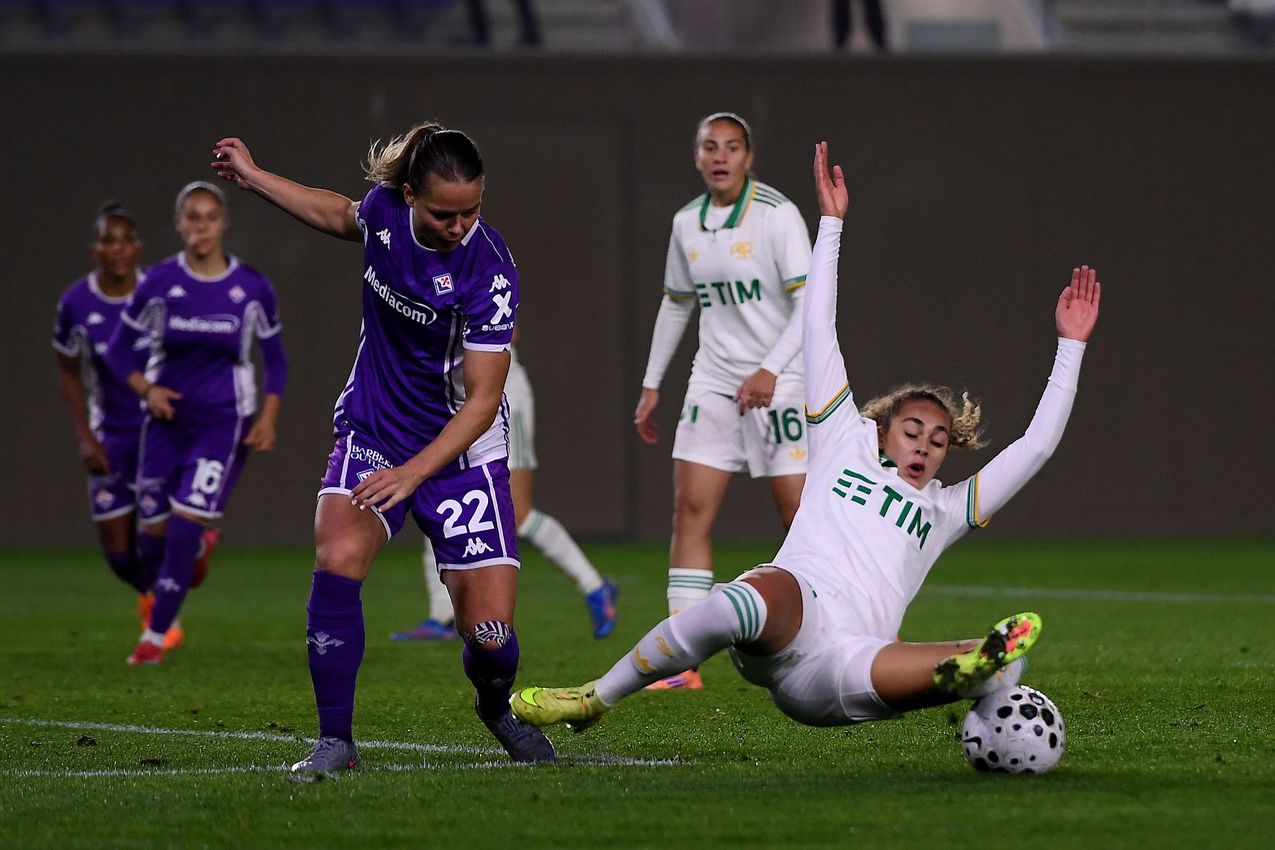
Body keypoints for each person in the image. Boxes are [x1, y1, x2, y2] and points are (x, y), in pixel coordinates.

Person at [510, 141, 1102, 737]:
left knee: (1008, 658)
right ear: (881, 429)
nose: (924, 445)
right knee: (754, 593)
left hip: (846, 669)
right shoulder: (843, 440)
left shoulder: (948, 509)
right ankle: (595, 697)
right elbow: (817, 325)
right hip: (794, 614)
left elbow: (1037, 446)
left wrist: (1070, 345)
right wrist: (832, 224)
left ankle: (971, 675)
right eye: (912, 430)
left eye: (939, 439)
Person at [210, 122, 556, 772]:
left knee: (492, 640)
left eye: (471, 211)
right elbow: (338, 213)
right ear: (407, 198)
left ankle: (493, 705)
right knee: (338, 553)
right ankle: (335, 741)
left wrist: (414, 473)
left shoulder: (491, 272)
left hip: (460, 456)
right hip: (374, 428)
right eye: (443, 213)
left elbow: (482, 402)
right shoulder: (382, 213)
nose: (459, 226)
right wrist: (254, 178)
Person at [633, 111, 812, 689]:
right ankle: (680, 661)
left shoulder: (778, 216)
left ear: (748, 157)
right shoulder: (686, 223)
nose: (720, 156)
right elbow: (677, 303)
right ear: (697, 156)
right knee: (690, 509)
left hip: (780, 380)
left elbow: (811, 305)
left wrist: (769, 369)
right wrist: (652, 382)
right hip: (712, 379)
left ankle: (821, 635)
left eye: (731, 147)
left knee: (800, 518)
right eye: (710, 146)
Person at [103, 181, 286, 666]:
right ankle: (190, 555)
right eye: (192, 217)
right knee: (151, 542)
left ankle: (156, 635)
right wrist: (148, 390)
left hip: (221, 423)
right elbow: (119, 350)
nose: (200, 226)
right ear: (179, 224)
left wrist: (267, 417)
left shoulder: (251, 288)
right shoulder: (160, 283)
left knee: (184, 525)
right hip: (164, 423)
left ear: (223, 223)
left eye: (209, 217)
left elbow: (277, 361)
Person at [393, 329, 619, 642]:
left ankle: (595, 587)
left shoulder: (480, 279)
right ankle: (441, 615)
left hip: (500, 392)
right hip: (449, 395)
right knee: (435, 494)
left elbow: (510, 330)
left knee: (518, 511)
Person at [53, 203, 158, 625]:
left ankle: (161, 612)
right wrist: (84, 434)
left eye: (125, 240)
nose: (117, 249)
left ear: (138, 248)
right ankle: (154, 596)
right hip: (111, 437)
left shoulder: (161, 292)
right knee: (118, 554)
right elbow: (67, 370)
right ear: (95, 249)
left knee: (160, 541)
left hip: (160, 436)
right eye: (107, 240)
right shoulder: (76, 303)